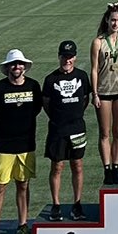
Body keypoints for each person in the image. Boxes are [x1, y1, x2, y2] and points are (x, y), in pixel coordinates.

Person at [0, 49, 42, 234]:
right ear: (8, 68)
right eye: (13, 64)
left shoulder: (34, 86)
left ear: (24, 67)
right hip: (3, 146)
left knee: (23, 185)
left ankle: (23, 226)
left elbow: (38, 108)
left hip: (26, 144)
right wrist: (3, 125)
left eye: (19, 64)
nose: (17, 67)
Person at [43, 40, 92, 221]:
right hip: (57, 129)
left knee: (77, 165)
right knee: (57, 166)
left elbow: (85, 99)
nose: (67, 60)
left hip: (77, 128)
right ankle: (56, 205)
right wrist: (58, 118)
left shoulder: (82, 76)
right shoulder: (50, 79)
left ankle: (77, 204)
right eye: (64, 56)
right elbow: (46, 103)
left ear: (75, 58)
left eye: (70, 57)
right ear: (59, 57)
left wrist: (75, 114)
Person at [90, 1, 118, 185]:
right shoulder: (98, 42)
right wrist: (95, 94)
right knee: (105, 133)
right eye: (113, 20)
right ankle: (107, 169)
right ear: (107, 20)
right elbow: (94, 69)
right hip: (104, 91)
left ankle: (116, 167)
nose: (116, 24)